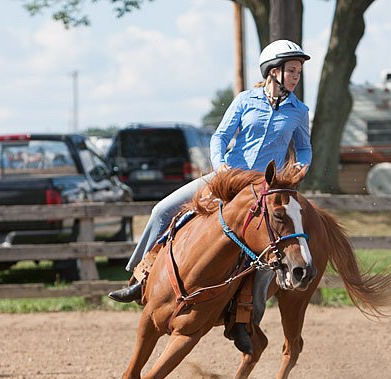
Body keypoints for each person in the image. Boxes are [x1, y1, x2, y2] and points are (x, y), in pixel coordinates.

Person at [109, 39, 312, 351]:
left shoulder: (299, 111)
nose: (296, 76)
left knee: (263, 259)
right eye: (292, 70)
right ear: (273, 71)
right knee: (163, 211)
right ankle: (138, 280)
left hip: (261, 189)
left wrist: (302, 165)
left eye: (299, 71)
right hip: (226, 178)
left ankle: (244, 322)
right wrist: (221, 168)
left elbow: (304, 146)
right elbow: (220, 136)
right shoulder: (246, 101)